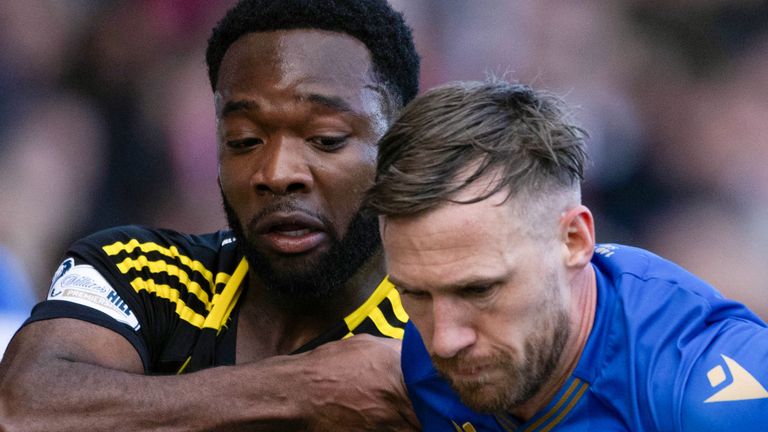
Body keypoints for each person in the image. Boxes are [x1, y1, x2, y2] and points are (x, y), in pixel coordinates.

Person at [0, 0, 420, 430]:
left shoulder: (441, 336)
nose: (277, 173)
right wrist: (304, 388)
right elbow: (20, 407)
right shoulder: (142, 272)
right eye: (244, 140)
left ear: (401, 148)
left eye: (326, 139)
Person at [365, 79, 768, 431]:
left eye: (478, 290)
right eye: (414, 294)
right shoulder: (409, 367)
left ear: (574, 240)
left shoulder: (707, 393)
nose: (445, 340)